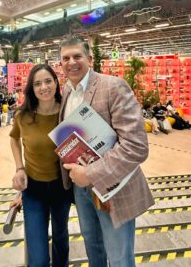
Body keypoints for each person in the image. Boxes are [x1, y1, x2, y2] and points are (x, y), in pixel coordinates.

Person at [59, 36, 154, 267]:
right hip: (81, 191)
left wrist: (90, 174)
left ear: (89, 59)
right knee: (94, 250)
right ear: (60, 63)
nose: (71, 62)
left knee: (119, 256)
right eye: (65, 58)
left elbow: (136, 146)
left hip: (114, 188)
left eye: (77, 56)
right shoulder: (66, 93)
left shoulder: (112, 86)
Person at [10, 64, 72, 267]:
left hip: (61, 187)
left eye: (48, 81)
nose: (44, 87)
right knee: (37, 255)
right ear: (31, 88)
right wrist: (20, 168)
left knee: (61, 236)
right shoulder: (23, 115)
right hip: (34, 190)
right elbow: (14, 139)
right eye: (37, 83)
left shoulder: (68, 112)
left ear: (56, 82)